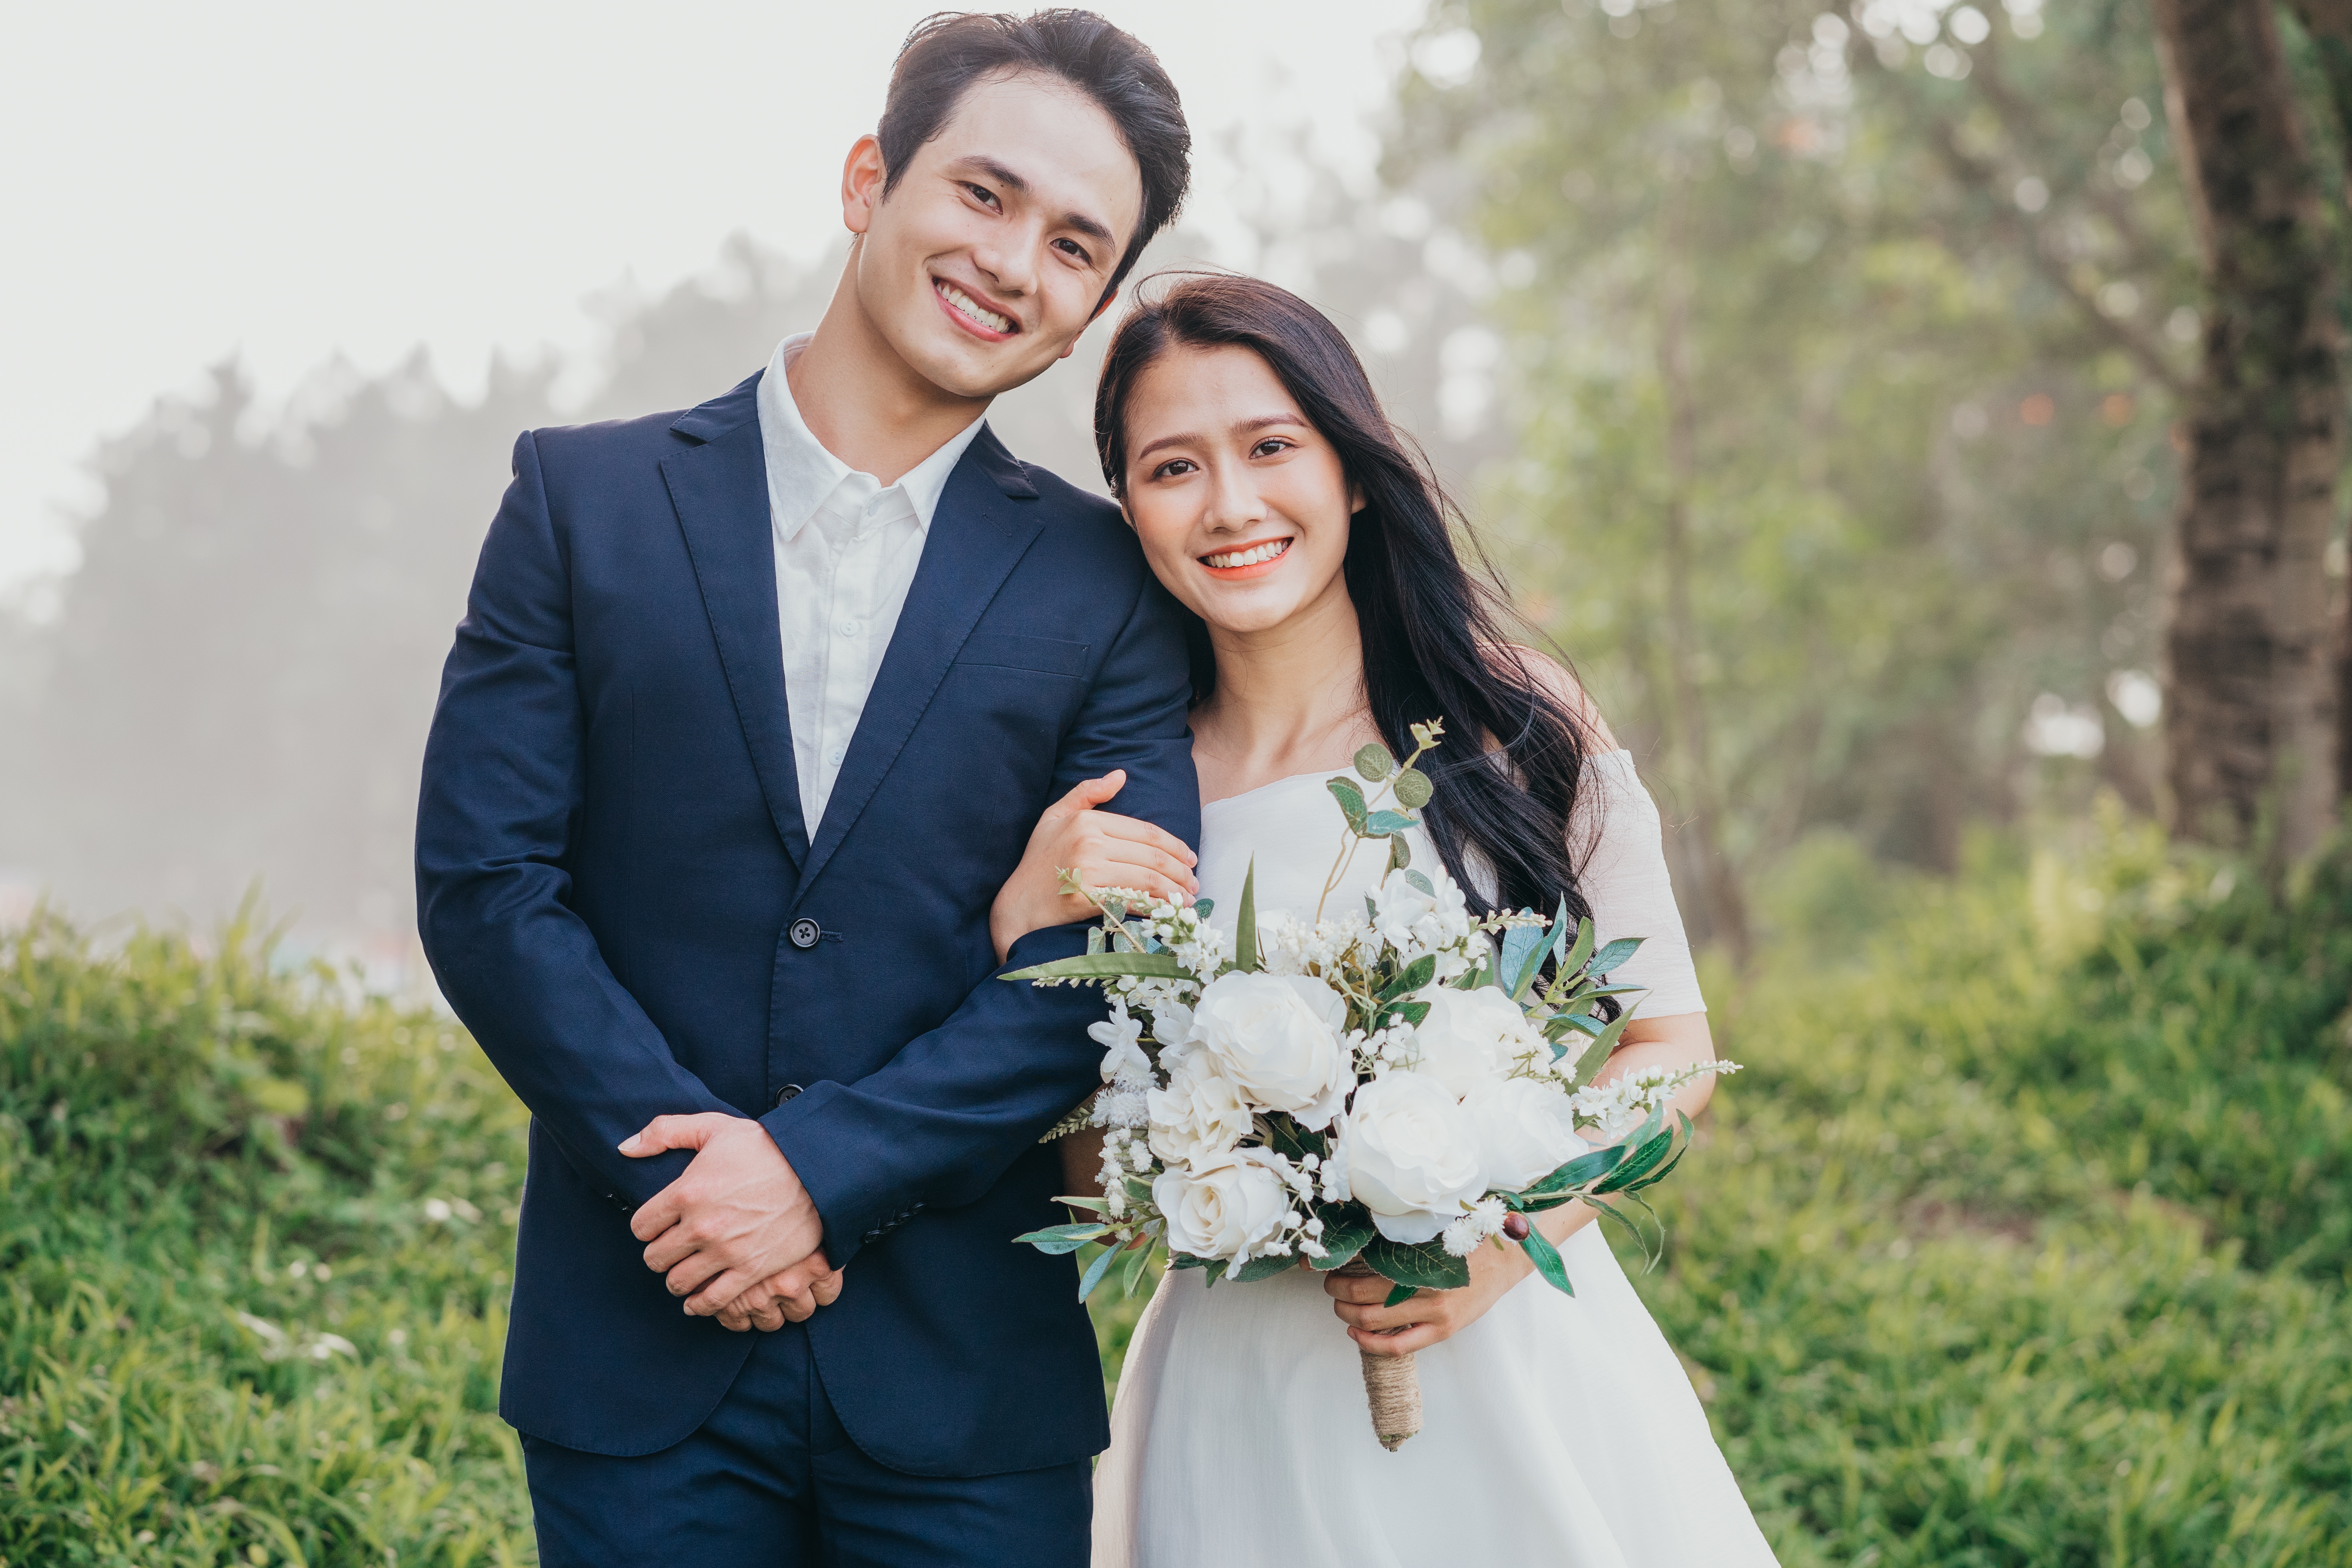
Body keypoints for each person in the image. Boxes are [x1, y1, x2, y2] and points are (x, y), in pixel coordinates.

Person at [412, 13, 1196, 1566]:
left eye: (1072, 244)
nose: (1009, 259)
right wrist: (712, 1192)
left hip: (968, 1383)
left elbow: (1110, 954)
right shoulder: (582, 501)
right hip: (639, 1351)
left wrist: (815, 1176)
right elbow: (487, 890)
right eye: (982, 195)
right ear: (868, 181)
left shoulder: (1110, 579)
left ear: (1089, 309)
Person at [990, 274, 1782, 1565]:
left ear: (1352, 470)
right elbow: (1085, 1172)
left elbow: (1672, 1048)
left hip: (1513, 1361)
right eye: (1173, 467)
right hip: (1235, 1398)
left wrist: (1508, 1244)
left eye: (1269, 447)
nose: (1231, 504)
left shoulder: (1513, 727)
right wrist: (1028, 926)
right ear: (1126, 507)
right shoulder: (1120, 798)